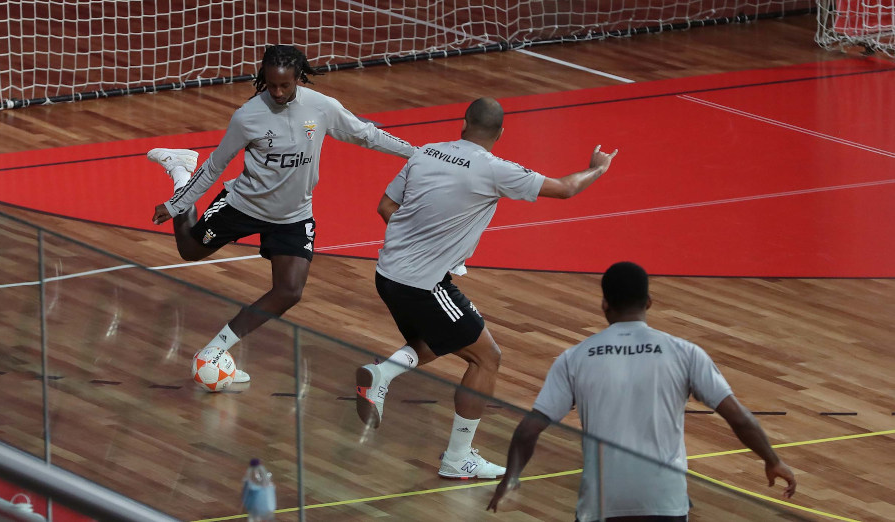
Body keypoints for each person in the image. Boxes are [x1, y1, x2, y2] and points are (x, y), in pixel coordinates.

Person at [354, 97, 618, 479]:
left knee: (439, 339)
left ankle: (383, 376)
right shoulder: (495, 169)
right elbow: (564, 189)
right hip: (424, 284)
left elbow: (385, 207)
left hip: (387, 274)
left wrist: (417, 240)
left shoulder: (426, 152)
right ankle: (458, 458)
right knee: (486, 357)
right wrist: (598, 169)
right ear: (500, 133)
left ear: (464, 123)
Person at [147, 45, 416, 381]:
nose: (277, 92)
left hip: (293, 215)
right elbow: (216, 166)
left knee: (289, 291)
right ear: (263, 78)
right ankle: (180, 170)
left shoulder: (321, 108)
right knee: (188, 250)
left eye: (285, 86)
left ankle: (215, 351)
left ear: (298, 79)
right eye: (271, 85)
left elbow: (367, 135)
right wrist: (177, 204)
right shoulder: (248, 116)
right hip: (243, 205)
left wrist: (416, 155)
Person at [487, 261, 797, 520]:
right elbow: (739, 419)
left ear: (605, 304)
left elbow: (528, 430)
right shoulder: (684, 353)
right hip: (664, 501)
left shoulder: (575, 358)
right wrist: (771, 459)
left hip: (602, 504)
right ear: (648, 302)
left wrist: (511, 477)